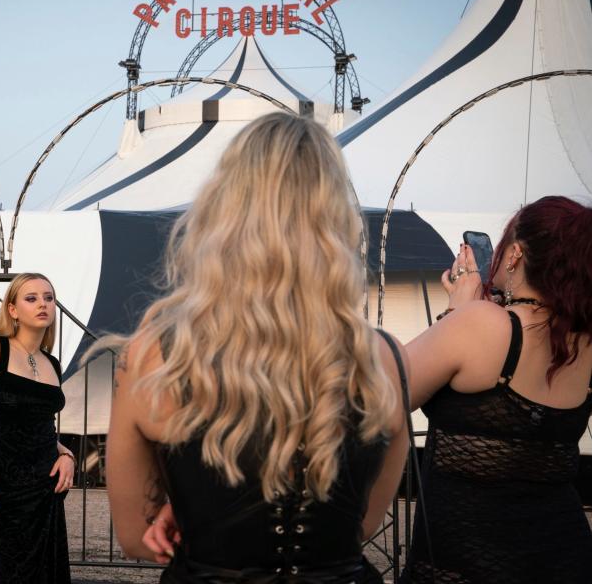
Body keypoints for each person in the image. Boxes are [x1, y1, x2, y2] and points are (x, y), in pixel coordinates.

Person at [102, 112, 410, 583]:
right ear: (335, 216)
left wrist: (194, 514)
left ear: (221, 210)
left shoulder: (155, 355)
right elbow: (360, 524)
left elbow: (132, 535)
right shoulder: (384, 360)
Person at [404, 195, 592, 583]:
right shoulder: (584, 340)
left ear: (515, 254)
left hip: (466, 561)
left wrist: (458, 311)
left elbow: (385, 390)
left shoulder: (480, 323)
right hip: (565, 558)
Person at [0, 272, 75, 583]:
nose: (43, 304)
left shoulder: (52, 363)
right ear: (12, 309)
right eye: (31, 298)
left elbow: (37, 428)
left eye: (48, 298)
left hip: (44, 494)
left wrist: (67, 455)